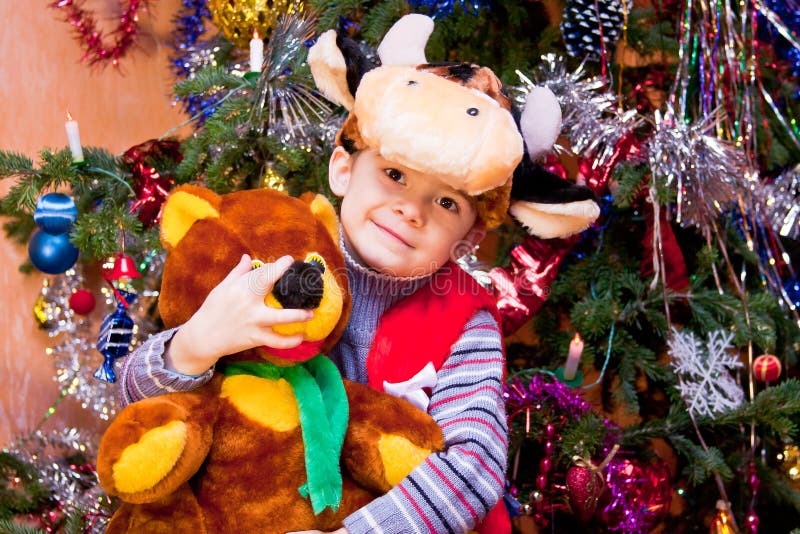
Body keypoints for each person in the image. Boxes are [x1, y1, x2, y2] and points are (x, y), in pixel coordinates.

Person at [117, 14, 591, 534]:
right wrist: (193, 346)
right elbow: (139, 404)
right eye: (394, 175)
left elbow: (473, 467)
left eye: (447, 202)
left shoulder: (465, 322)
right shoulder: (273, 249)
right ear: (343, 170)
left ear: (471, 238)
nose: (412, 209)